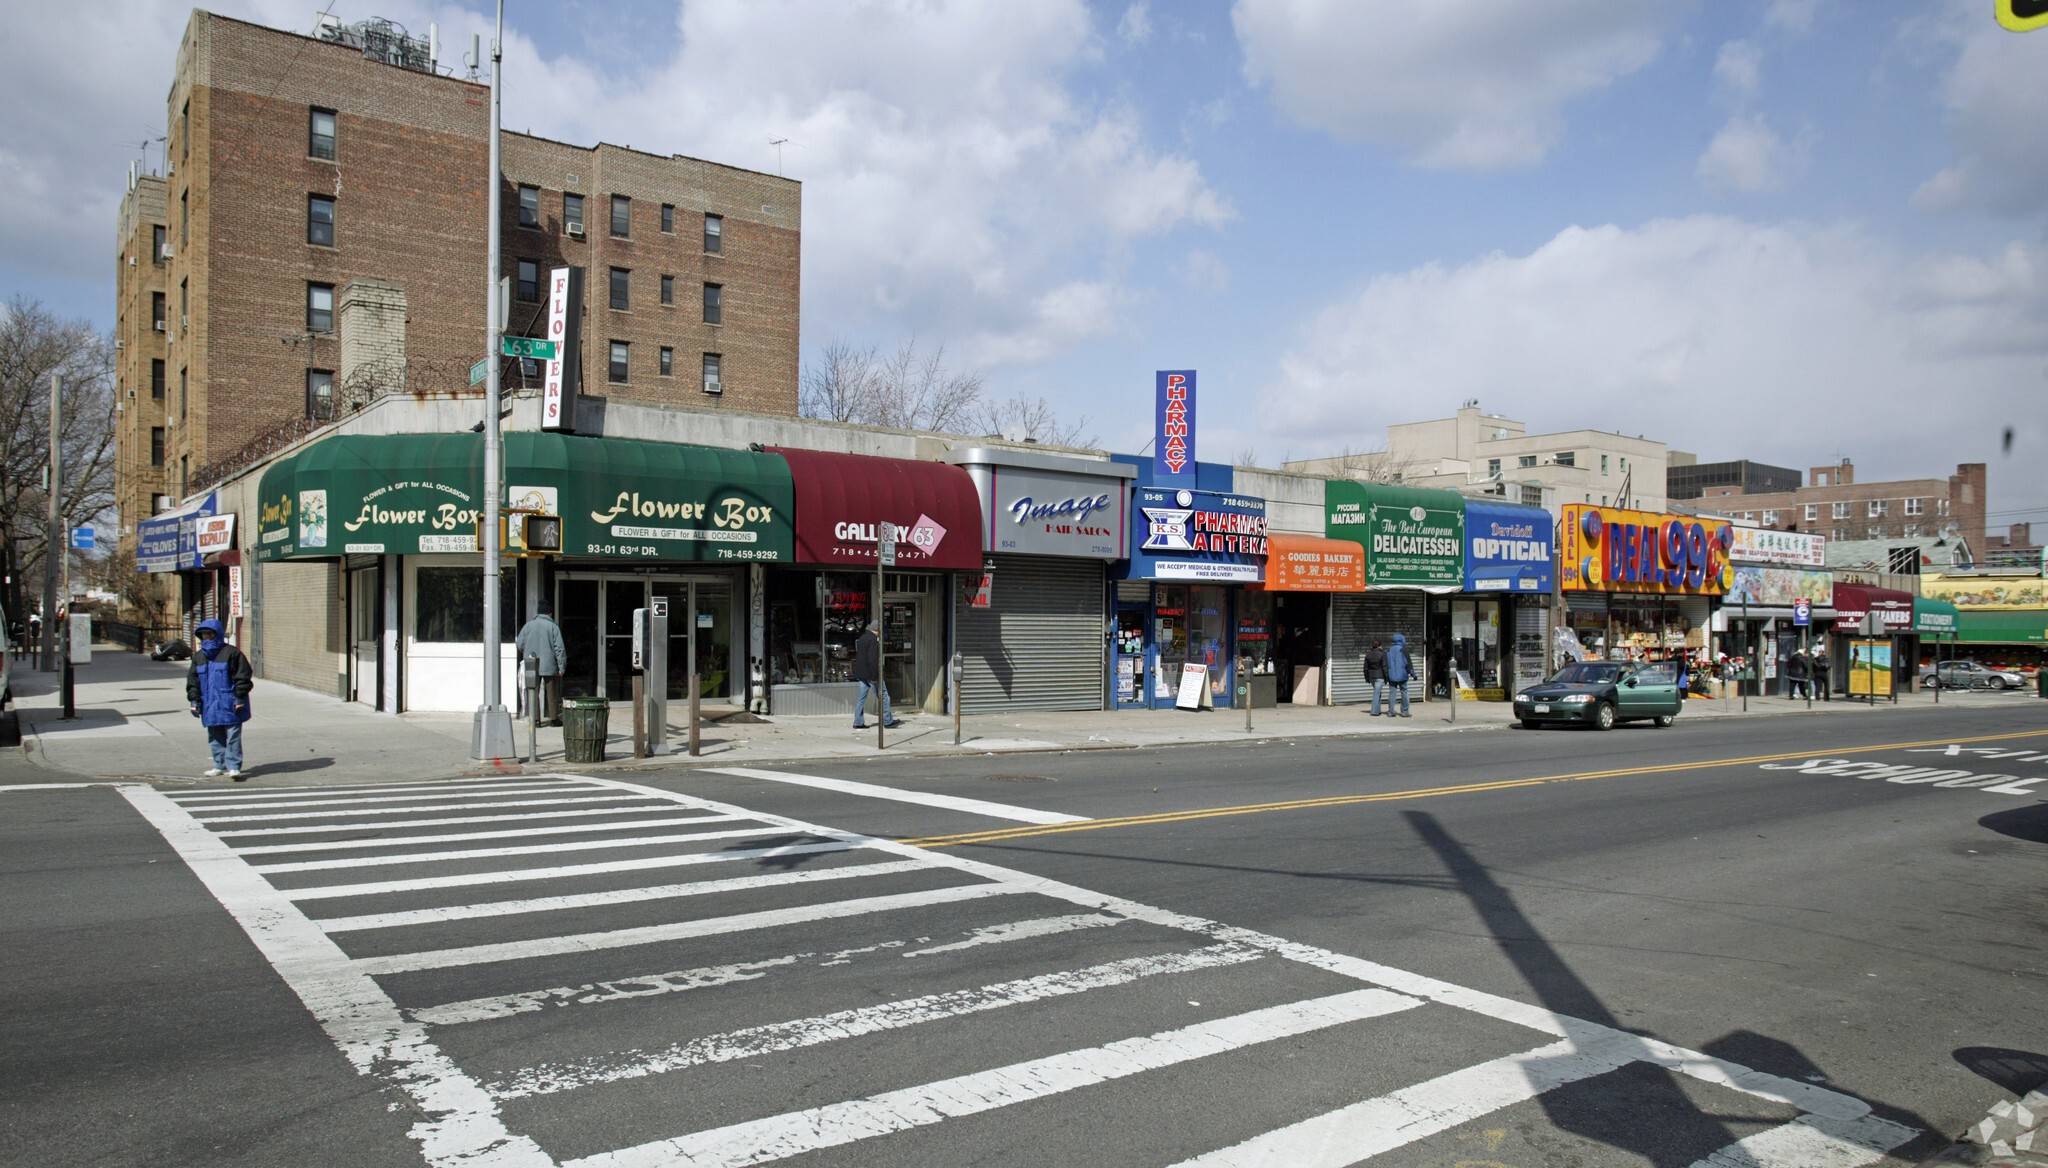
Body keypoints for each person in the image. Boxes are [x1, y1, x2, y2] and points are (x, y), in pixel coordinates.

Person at [186, 619, 253, 780]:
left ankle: (234, 766)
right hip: (210, 704)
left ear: (218, 634)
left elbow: (243, 677)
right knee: (215, 736)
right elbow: (193, 681)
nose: (207, 637)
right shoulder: (199, 657)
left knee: (233, 737)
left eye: (210, 634)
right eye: (204, 634)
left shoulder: (232, 653)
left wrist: (239, 696)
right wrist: (194, 700)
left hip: (230, 702)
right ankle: (219, 764)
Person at [515, 599, 568, 726]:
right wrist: (561, 666)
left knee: (533, 691)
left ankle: (535, 719)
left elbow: (519, 644)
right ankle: (554, 718)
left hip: (531, 663)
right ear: (549, 613)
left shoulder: (528, 626)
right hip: (549, 663)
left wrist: (527, 651)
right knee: (552, 692)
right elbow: (559, 649)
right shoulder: (553, 626)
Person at [851, 620, 900, 730]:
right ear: (877, 630)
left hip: (861, 673)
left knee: (861, 698)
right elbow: (873, 659)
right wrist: (874, 677)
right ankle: (888, 721)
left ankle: (858, 721)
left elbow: (861, 657)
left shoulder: (863, 638)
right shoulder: (874, 640)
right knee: (884, 696)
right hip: (870, 674)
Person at [1384, 632, 1413, 718]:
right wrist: (1413, 674)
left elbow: (1386, 664)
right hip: (1402, 676)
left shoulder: (1389, 651)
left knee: (1392, 693)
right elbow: (1408, 663)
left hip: (1391, 676)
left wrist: (1386, 675)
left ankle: (1391, 711)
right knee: (1404, 692)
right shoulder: (1403, 650)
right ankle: (1405, 711)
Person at [1362, 638, 1389, 716]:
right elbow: (1384, 667)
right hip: (1379, 676)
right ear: (1380, 646)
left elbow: (1365, 668)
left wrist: (1366, 677)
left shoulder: (1368, 654)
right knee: (1377, 693)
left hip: (1371, 676)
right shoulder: (1382, 654)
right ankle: (1374, 711)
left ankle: (1378, 710)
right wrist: (1386, 678)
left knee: (1378, 692)